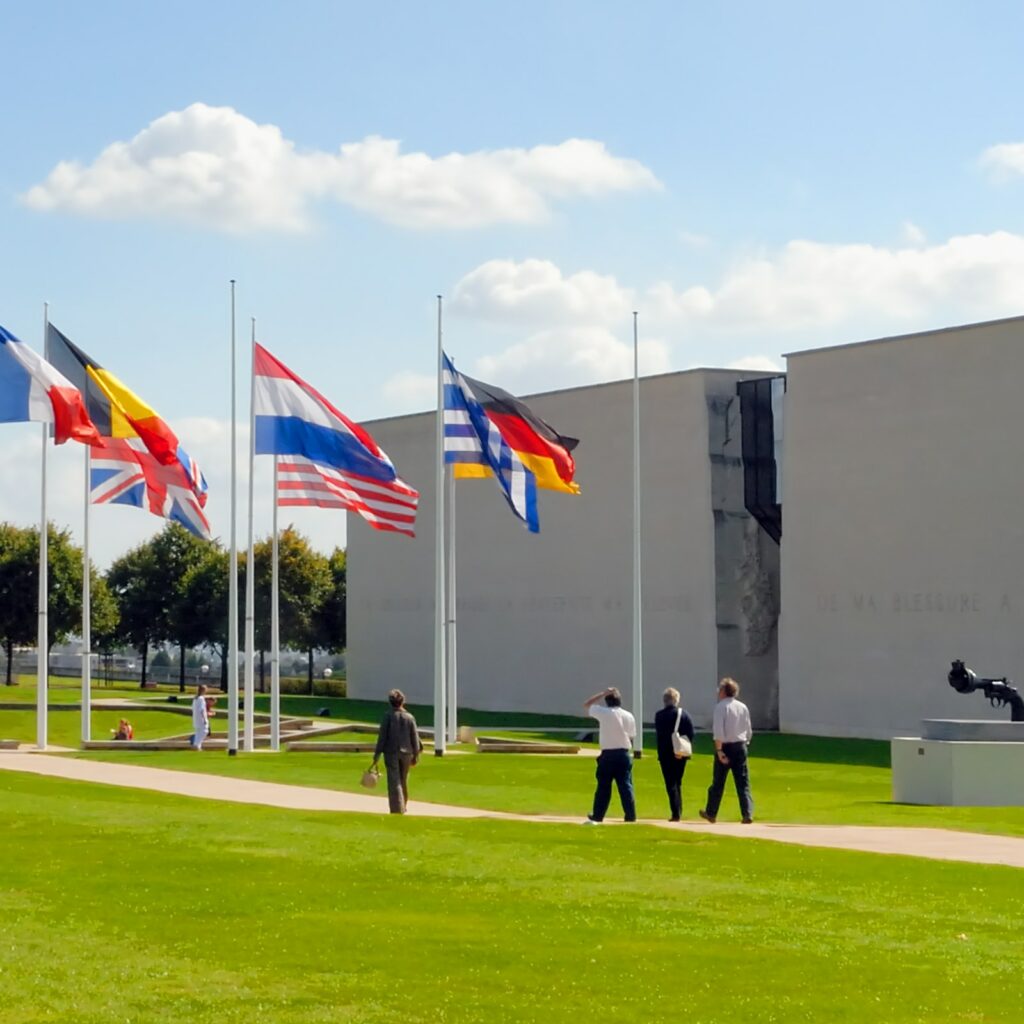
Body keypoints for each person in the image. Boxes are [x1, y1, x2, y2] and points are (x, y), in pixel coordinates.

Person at [699, 677, 754, 824]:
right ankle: (747, 813)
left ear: (723, 691)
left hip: (726, 746)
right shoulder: (742, 707)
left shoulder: (721, 707)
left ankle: (711, 812)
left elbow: (718, 731)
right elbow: (748, 729)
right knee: (743, 782)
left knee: (718, 782)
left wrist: (719, 750)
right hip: (740, 745)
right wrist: (745, 742)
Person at [582, 686, 637, 823]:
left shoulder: (604, 713)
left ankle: (598, 815)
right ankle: (630, 815)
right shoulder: (628, 715)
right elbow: (631, 736)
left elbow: (587, 704)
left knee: (603, 787)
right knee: (625, 786)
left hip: (608, 754)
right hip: (624, 753)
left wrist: (602, 693)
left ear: (607, 701)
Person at [370, 689, 423, 814]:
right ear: (403, 701)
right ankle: (403, 805)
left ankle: (397, 808)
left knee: (394, 781)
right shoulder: (410, 717)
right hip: (407, 753)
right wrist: (416, 755)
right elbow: (415, 737)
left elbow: (382, 737)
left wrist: (377, 754)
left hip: (391, 752)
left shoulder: (388, 716)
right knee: (403, 780)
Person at [654, 687, 694, 821]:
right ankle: (678, 809)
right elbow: (691, 734)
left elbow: (660, 735)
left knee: (670, 782)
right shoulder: (684, 715)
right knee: (678, 781)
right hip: (680, 753)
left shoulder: (659, 716)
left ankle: (676, 812)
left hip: (665, 753)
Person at [191, 684, 210, 751]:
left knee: (198, 732)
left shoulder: (195, 698)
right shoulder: (201, 699)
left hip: (196, 717)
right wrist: (204, 718)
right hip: (200, 718)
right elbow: (202, 710)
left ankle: (198, 746)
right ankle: (197, 744)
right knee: (205, 731)